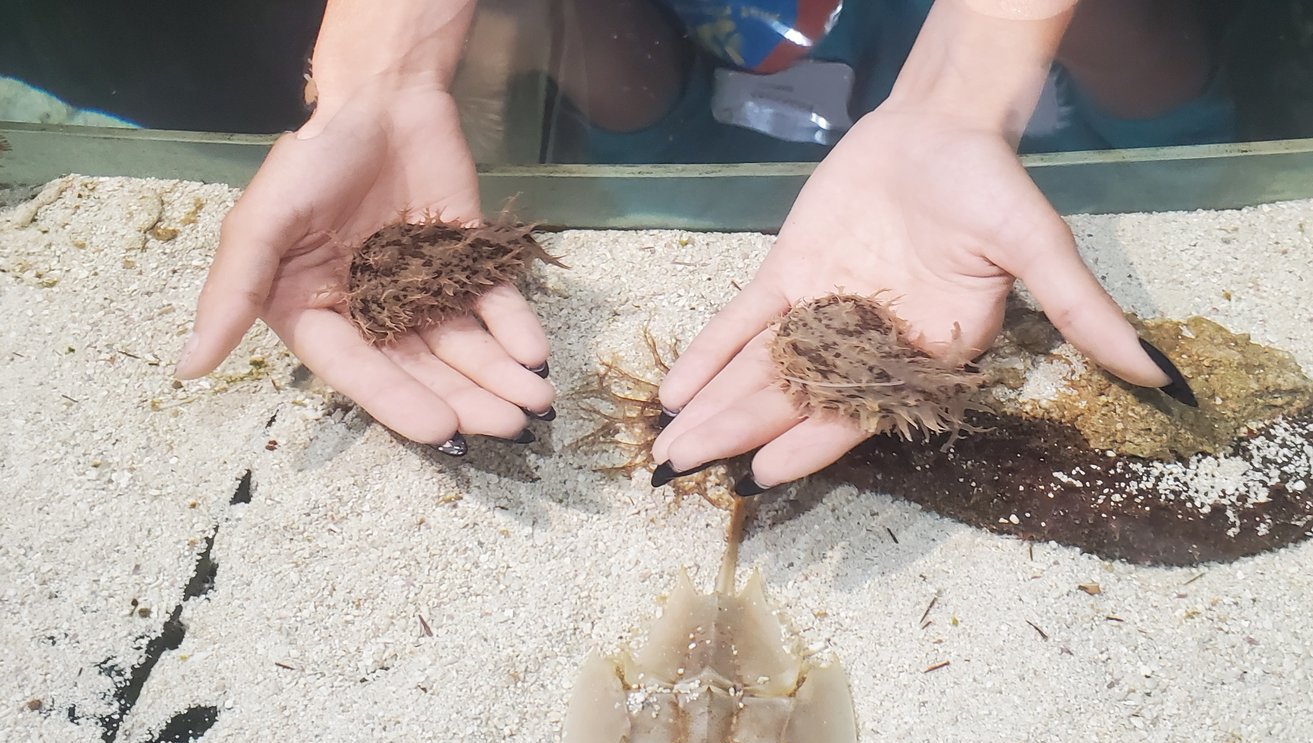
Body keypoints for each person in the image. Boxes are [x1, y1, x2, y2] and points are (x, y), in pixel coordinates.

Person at [177, 0, 1203, 489]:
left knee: (1138, 59)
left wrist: (968, 81)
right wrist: (384, 65)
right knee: (589, 44)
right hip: (696, 41)